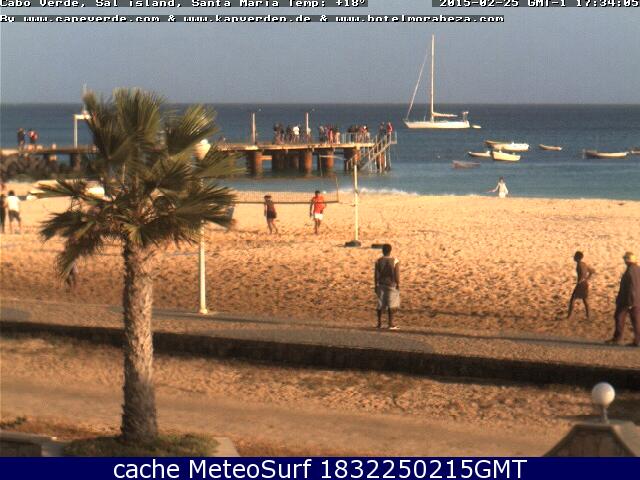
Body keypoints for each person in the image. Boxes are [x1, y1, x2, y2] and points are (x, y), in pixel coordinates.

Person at [606, 252, 640, 347]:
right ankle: (637, 341)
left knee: (619, 317)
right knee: (636, 321)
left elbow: (632, 286)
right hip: (635, 300)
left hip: (628, 300)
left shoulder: (630, 270)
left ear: (628, 260)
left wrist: (631, 301)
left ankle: (617, 338)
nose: (624, 261)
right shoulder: (637, 269)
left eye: (625, 259)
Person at [374, 243, 400, 330]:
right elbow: (396, 274)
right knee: (391, 304)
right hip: (391, 285)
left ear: (382, 251)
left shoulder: (378, 261)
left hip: (381, 284)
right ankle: (390, 323)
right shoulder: (395, 261)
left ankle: (379, 323)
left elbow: (376, 274)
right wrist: (398, 284)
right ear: (390, 251)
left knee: (380, 304)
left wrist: (376, 285)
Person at [567, 251, 596, 320]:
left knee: (572, 299)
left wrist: (580, 281)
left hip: (581, 284)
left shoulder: (579, 265)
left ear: (577, 257)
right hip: (585, 283)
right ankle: (588, 315)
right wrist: (587, 279)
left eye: (575, 256)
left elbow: (582, 273)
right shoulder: (584, 264)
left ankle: (569, 316)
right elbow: (592, 271)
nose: (573, 257)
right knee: (585, 299)